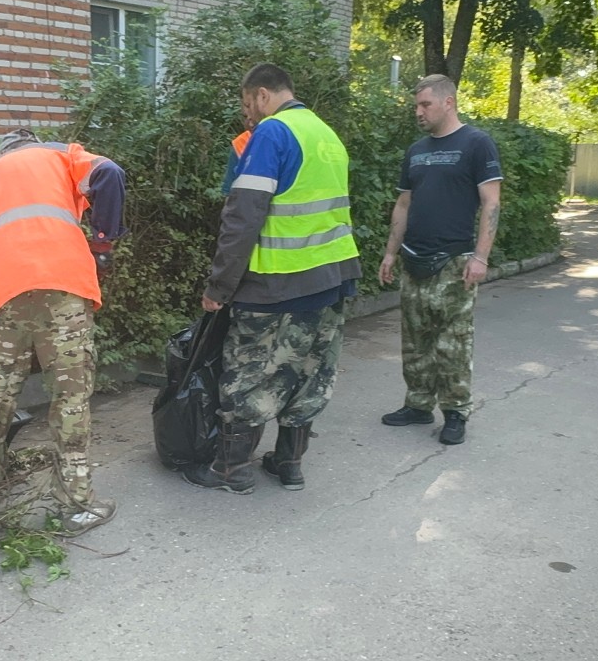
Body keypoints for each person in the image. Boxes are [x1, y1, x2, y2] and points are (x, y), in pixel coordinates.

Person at [182, 63, 362, 494]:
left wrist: (219, 287)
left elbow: (243, 216)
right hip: (333, 278)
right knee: (309, 373)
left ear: (262, 95)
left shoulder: (273, 133)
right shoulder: (325, 134)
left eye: (249, 105)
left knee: (246, 376)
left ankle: (232, 469)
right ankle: (288, 463)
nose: (250, 115)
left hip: (278, 283)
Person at [0, 127, 127, 534]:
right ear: (34, 143)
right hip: (61, 283)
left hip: (2, 289)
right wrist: (103, 243)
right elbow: (110, 174)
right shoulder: (58, 154)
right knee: (69, 395)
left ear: (4, 153)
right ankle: (75, 505)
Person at [378, 74, 502, 445]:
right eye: (416, 105)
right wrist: (390, 251)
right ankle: (417, 405)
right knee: (415, 339)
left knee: (452, 343)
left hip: (455, 261)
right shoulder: (415, 151)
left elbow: (491, 202)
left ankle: (455, 412)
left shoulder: (477, 144)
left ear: (448, 102)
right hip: (414, 259)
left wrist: (480, 257)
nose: (418, 112)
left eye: (425, 104)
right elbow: (404, 203)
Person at [220, 115, 256, 196]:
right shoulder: (240, 143)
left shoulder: (275, 140)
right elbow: (229, 187)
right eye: (245, 117)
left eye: (253, 117)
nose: (250, 124)